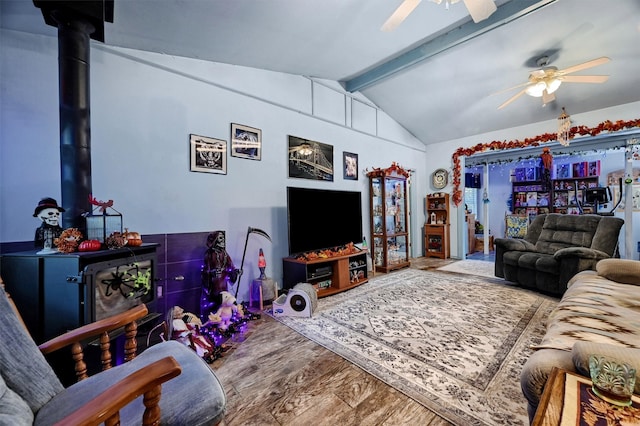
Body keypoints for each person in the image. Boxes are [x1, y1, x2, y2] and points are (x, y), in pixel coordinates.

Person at [201, 231, 239, 319]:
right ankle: (213, 320)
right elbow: (204, 271)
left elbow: (231, 267)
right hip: (214, 285)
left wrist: (236, 272)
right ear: (215, 240)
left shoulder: (224, 254)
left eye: (223, 238)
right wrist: (212, 273)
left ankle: (225, 318)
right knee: (214, 303)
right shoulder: (209, 254)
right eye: (221, 238)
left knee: (224, 301)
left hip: (223, 283)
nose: (223, 241)